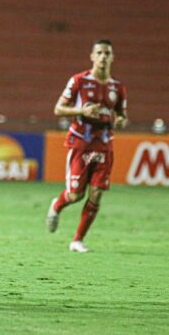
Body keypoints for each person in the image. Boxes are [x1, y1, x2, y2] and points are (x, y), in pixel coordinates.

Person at [46, 39, 128, 253]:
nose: (103, 57)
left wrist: (120, 121)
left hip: (104, 145)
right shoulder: (79, 81)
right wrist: (81, 111)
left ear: (112, 57)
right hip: (80, 144)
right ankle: (57, 205)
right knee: (76, 195)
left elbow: (122, 115)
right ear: (92, 56)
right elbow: (58, 109)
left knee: (97, 193)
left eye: (107, 53)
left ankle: (77, 240)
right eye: (99, 52)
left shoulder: (117, 88)